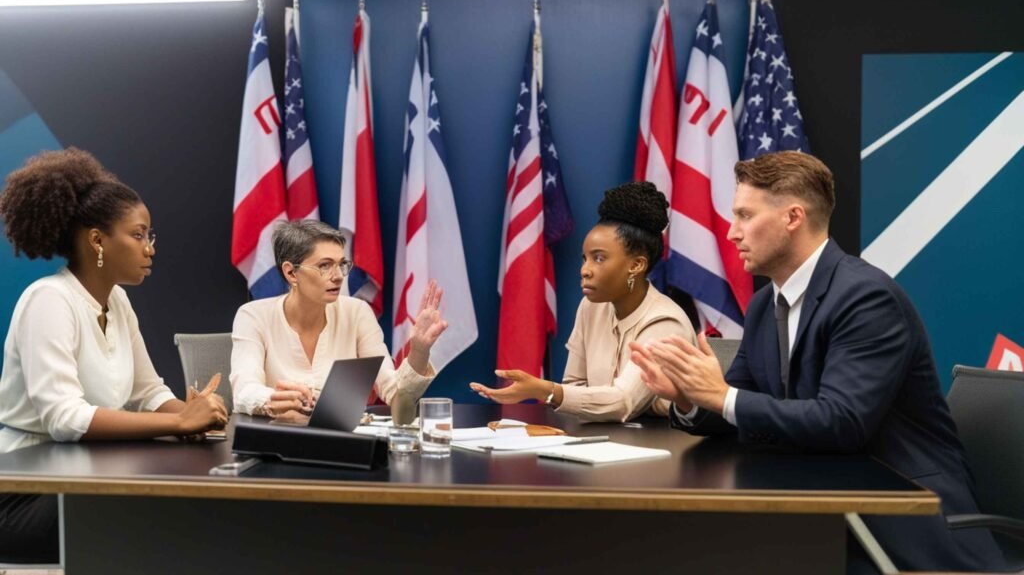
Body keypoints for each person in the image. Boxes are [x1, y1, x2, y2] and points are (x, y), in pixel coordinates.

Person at [629, 151, 1004, 572]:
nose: (732, 233)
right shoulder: (764, 305)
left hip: (901, 519)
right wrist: (689, 397)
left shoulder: (865, 298)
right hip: (821, 504)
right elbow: (739, 405)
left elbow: (842, 421)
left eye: (745, 216)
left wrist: (721, 395)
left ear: (793, 217)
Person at [0, 148, 228, 563]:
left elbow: (147, 391)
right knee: (159, 517)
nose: (149, 249)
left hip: (81, 475)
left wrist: (198, 415)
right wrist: (179, 421)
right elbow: (65, 418)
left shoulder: (118, 301)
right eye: (138, 235)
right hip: (24, 491)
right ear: (97, 240)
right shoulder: (48, 300)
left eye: (150, 237)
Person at [470, 182, 695, 422]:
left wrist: (545, 390)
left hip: (664, 441)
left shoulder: (666, 323)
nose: (585, 270)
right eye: (585, 258)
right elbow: (575, 384)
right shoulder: (592, 306)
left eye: (599, 258)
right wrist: (557, 393)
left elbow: (623, 402)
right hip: (604, 438)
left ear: (636, 265)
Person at [230, 220, 447, 420]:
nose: (338, 276)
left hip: (343, 441)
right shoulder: (253, 316)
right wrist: (272, 400)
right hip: (277, 438)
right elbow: (244, 391)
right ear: (291, 273)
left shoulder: (357, 312)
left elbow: (397, 396)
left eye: (341, 264)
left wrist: (419, 351)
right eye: (325, 266)